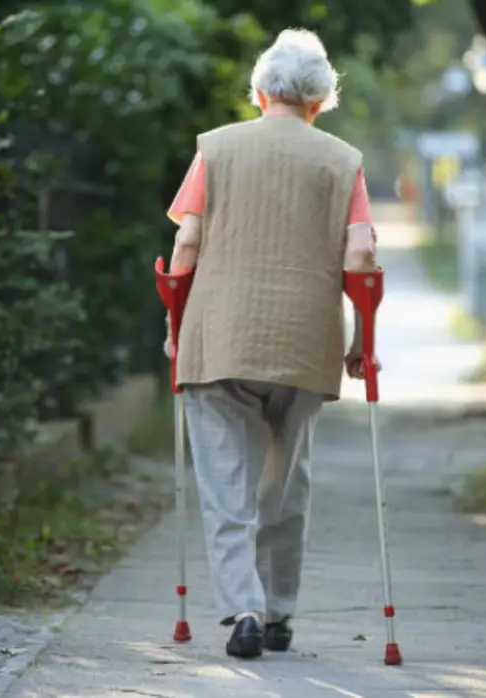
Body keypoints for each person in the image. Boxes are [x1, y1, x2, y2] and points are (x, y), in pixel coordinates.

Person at [163, 28, 381, 659]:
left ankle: (246, 610)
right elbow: (362, 253)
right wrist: (362, 344)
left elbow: (185, 245)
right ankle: (281, 610)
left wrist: (175, 330)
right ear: (319, 101)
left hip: (218, 334)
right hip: (305, 340)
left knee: (225, 484)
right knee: (285, 485)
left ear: (259, 92)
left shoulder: (216, 149)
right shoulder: (343, 161)